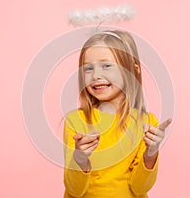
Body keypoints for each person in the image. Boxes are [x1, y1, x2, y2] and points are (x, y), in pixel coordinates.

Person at [63, 30, 172, 198]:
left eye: (106, 65)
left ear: (132, 70)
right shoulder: (76, 121)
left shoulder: (146, 122)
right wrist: (80, 159)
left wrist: (151, 154)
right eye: (88, 68)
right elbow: (75, 190)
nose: (96, 75)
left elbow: (140, 188)